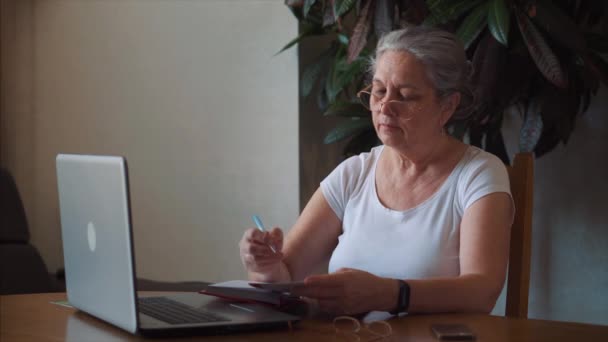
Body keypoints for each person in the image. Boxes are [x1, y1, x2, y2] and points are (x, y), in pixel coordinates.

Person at [239, 26, 513, 316]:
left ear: (447, 105)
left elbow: (482, 291)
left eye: (406, 96)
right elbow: (286, 274)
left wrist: (389, 294)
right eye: (379, 91)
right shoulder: (354, 173)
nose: (385, 106)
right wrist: (265, 266)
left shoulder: (478, 174)